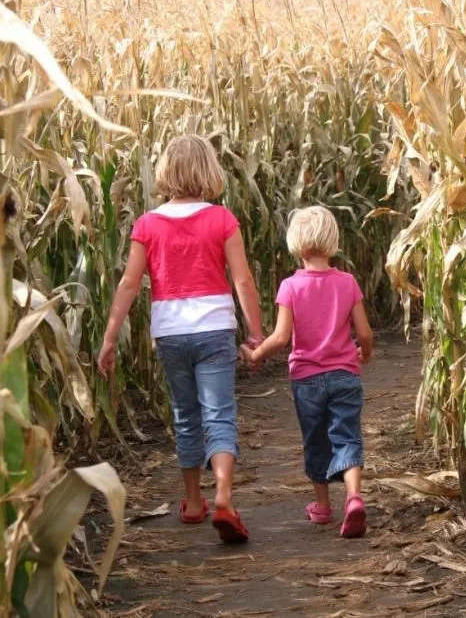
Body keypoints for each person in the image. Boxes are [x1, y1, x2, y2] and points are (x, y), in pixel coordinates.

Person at [97, 134, 263, 544]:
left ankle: (192, 502)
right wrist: (257, 332)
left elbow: (129, 284)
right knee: (219, 414)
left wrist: (109, 337)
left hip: (171, 332)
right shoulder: (222, 219)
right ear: (209, 170)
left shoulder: (148, 224)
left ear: (166, 172)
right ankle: (223, 495)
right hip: (215, 328)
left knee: (186, 415)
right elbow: (242, 280)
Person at [240, 206, 373, 538]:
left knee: (316, 441)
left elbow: (282, 337)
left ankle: (323, 506)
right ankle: (354, 498)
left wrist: (256, 353)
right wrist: (364, 353)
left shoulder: (290, 287)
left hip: (307, 379)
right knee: (347, 436)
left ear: (295, 243)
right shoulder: (347, 282)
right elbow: (365, 333)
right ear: (333, 242)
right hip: (345, 374)